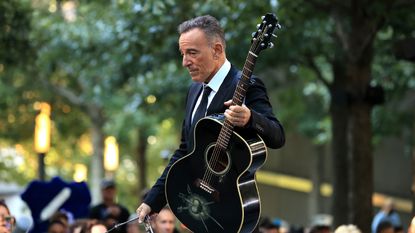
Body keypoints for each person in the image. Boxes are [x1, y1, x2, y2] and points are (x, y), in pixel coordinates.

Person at [135, 14, 285, 224]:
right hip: (199, 204)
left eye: (192, 53)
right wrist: (153, 201)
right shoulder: (194, 90)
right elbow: (185, 150)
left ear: (217, 50)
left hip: (233, 206)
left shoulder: (248, 84)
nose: (185, 62)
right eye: (183, 54)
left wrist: (251, 117)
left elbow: (278, 136)